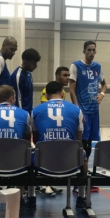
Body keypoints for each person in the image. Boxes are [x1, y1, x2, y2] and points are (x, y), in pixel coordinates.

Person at [31, 81, 88, 208]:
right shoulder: (77, 110)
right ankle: (81, 197)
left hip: (44, 162)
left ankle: (30, 197)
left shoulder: (35, 111)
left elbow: (35, 140)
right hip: (69, 162)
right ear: (62, 93)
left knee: (30, 153)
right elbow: (78, 142)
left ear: (46, 96)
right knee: (82, 154)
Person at [69, 41, 107, 193]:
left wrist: (102, 94)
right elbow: (71, 89)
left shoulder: (98, 67)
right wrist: (77, 109)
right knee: (81, 143)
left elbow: (104, 84)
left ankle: (84, 176)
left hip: (94, 110)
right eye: (89, 50)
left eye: (93, 50)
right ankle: (79, 177)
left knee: (90, 142)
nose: (91, 52)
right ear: (84, 51)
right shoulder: (76, 66)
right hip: (82, 109)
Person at [38, 66, 70, 196]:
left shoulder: (63, 92)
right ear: (57, 76)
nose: (68, 78)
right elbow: (45, 110)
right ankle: (44, 185)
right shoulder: (47, 90)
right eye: (65, 75)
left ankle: (49, 184)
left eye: (68, 75)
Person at [10, 48, 41, 115]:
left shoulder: (29, 73)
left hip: (28, 113)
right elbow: (18, 101)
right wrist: (22, 117)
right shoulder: (18, 76)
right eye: (33, 63)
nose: (36, 66)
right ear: (25, 62)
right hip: (21, 115)